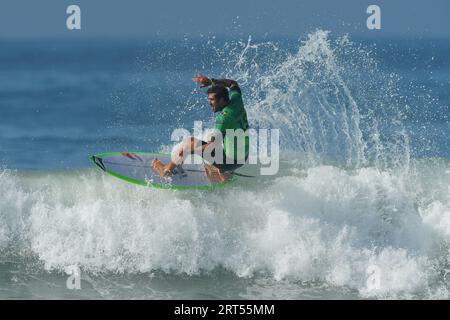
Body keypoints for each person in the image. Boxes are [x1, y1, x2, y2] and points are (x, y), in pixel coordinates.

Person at [151, 74, 250, 182]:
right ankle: (224, 176)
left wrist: (190, 151)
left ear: (221, 100)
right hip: (243, 157)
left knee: (190, 142)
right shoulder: (237, 100)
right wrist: (212, 82)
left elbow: (213, 145)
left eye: (212, 100)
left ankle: (165, 171)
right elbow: (232, 83)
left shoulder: (223, 119)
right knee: (211, 137)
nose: (209, 103)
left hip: (230, 161)